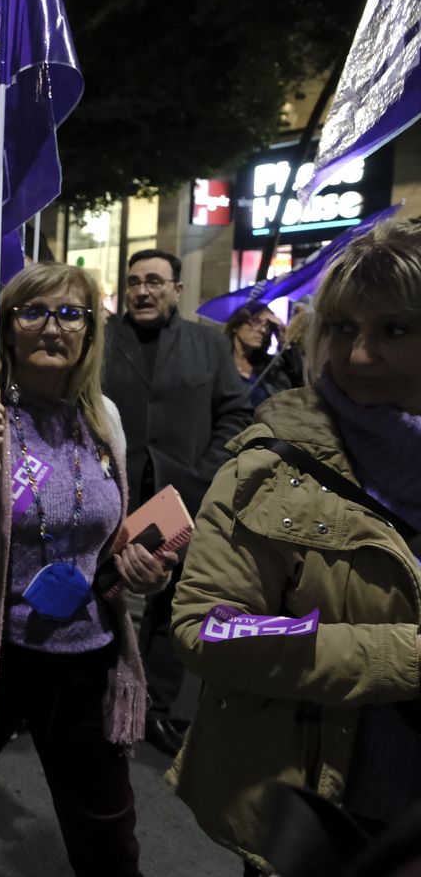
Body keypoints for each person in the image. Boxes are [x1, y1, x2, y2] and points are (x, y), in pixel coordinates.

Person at [0, 262, 175, 876]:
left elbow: (101, 548)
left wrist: (139, 570)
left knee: (109, 841)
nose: (54, 326)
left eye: (72, 313)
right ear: (9, 329)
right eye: (34, 311)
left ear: (92, 332)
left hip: (85, 656)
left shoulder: (105, 421)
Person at [169, 217, 421, 876]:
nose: (361, 355)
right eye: (342, 328)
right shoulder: (270, 465)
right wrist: (401, 656)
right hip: (323, 816)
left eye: (395, 329)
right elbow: (209, 629)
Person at [100, 248, 252, 756]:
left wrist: (205, 474)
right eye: (134, 282)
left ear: (177, 290)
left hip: (183, 498)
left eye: (154, 282)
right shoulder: (100, 342)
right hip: (111, 493)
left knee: (173, 600)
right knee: (105, 590)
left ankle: (156, 707)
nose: (142, 290)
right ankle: (99, 694)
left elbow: (236, 413)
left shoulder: (209, 344)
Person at [223, 301, 291, 405]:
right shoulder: (219, 361)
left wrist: (282, 336)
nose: (263, 330)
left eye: (267, 326)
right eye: (255, 322)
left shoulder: (268, 367)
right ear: (236, 326)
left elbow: (293, 381)